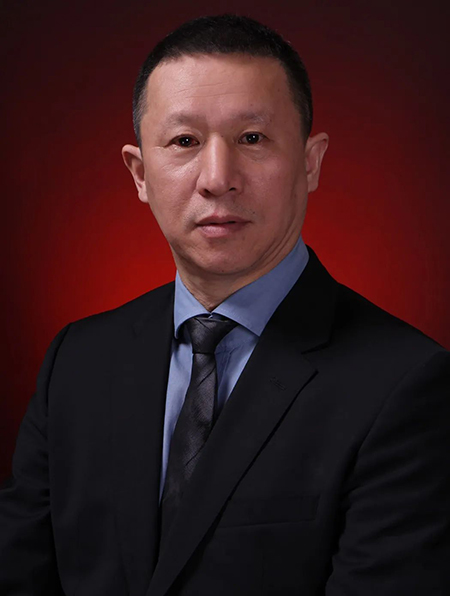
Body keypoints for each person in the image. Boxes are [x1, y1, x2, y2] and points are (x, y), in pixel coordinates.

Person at [1, 13, 449, 596]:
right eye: (185, 142)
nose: (218, 178)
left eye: (252, 139)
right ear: (140, 174)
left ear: (310, 162)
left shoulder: (408, 386)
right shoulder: (77, 361)